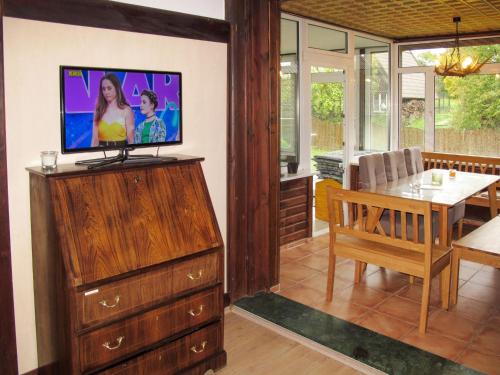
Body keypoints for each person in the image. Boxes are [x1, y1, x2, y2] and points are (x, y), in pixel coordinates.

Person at [91, 73, 134, 147]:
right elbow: (94, 140)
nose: (106, 92)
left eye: (109, 88)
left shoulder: (126, 110)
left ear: (116, 88)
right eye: (103, 89)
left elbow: (131, 140)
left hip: (121, 153)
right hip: (102, 154)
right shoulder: (98, 110)